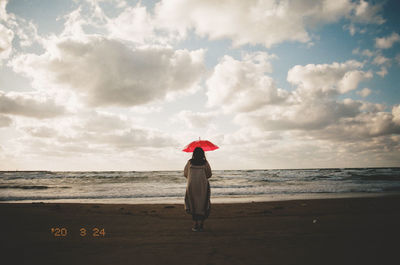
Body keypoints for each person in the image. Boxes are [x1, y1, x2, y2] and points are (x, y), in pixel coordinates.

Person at [184, 147, 212, 232]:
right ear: (203, 154)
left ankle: (196, 224)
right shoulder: (205, 162)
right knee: (203, 203)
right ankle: (202, 225)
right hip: (203, 185)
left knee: (193, 203)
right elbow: (209, 174)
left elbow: (185, 174)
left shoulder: (190, 162)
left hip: (192, 185)